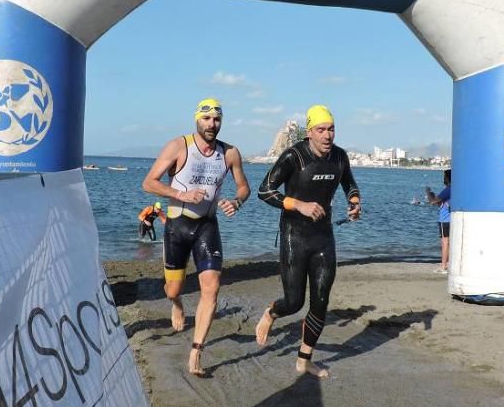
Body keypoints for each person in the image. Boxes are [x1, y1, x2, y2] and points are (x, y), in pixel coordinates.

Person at [141, 98, 249, 377]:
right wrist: (180, 194)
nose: (212, 124)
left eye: (217, 119)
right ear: (197, 120)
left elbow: (243, 187)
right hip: (177, 225)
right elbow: (149, 182)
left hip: (207, 226)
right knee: (173, 290)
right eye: (207, 119)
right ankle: (176, 305)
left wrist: (236, 202)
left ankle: (196, 352)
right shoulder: (178, 146)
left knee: (211, 288)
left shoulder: (230, 153)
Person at [255, 105, 361, 378]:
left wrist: (354, 201)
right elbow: (264, 191)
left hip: (323, 237)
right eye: (321, 130)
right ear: (309, 132)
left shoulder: (339, 157)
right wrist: (298, 204)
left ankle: (304, 359)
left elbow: (349, 183)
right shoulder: (294, 156)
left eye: (331, 129)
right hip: (294, 236)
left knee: (321, 301)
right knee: (294, 302)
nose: (327, 136)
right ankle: (272, 312)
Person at [425, 169, 451, 274]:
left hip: (445, 219)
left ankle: (444, 266)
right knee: (449, 242)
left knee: (445, 242)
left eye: (444, 177)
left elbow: (433, 201)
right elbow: (440, 202)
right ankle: (449, 264)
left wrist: (428, 193)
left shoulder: (448, 189)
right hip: (452, 219)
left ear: (448, 178)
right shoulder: (457, 189)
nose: (443, 179)